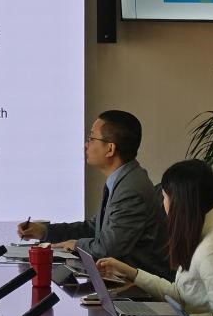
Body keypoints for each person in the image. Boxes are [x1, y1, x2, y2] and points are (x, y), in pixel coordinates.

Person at [98, 159, 213, 316]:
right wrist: (130, 272)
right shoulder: (207, 227)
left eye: (164, 198)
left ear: (180, 203)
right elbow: (182, 293)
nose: (163, 204)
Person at [16, 110, 170, 279]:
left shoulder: (131, 189)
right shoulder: (123, 179)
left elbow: (108, 249)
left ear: (110, 149)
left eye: (91, 138)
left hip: (138, 287)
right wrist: (45, 231)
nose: (86, 145)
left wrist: (76, 244)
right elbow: (94, 229)